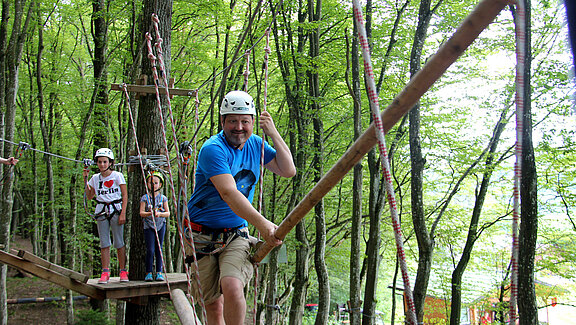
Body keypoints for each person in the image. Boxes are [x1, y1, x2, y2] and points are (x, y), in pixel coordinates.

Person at [186, 90, 296, 325]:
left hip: (235, 234)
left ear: (253, 123)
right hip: (200, 235)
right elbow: (228, 193)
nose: (239, 127)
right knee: (213, 304)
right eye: (233, 121)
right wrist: (263, 225)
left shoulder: (256, 144)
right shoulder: (213, 149)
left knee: (232, 285)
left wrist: (273, 132)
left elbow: (288, 170)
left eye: (245, 121)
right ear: (223, 121)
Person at [83, 148, 129, 284]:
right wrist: (86, 180)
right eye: (99, 162)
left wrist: (123, 213)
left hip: (116, 209)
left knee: (119, 242)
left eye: (104, 162)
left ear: (110, 163)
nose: (102, 164)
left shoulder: (117, 176)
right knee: (104, 243)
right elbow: (90, 196)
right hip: (101, 210)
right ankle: (105, 272)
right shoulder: (95, 178)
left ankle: (123, 271)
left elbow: (125, 194)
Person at [139, 170, 170, 282]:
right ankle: (148, 272)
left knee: (159, 249)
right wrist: (150, 214)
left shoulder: (163, 198)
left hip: (160, 224)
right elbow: (141, 212)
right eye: (150, 183)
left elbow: (168, 213)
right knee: (150, 250)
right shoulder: (145, 198)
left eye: (155, 183)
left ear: (160, 184)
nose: (153, 185)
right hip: (149, 225)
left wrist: (159, 214)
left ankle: (159, 272)